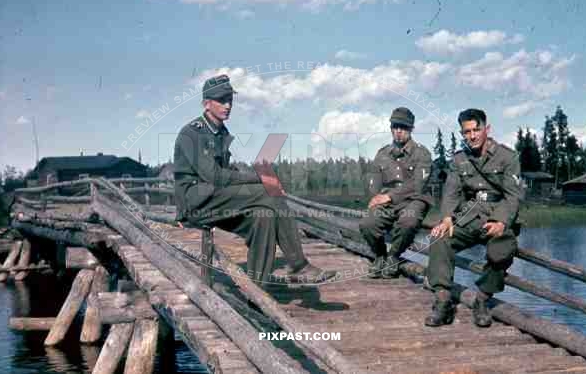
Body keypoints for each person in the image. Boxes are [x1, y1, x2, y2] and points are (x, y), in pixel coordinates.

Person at [174, 74, 337, 285]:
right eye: (221, 100)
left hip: (213, 199)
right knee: (267, 192)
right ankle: (299, 265)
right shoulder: (192, 133)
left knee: (265, 216)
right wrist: (260, 179)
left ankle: (257, 291)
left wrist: (260, 178)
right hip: (195, 203)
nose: (228, 105)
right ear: (206, 104)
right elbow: (213, 176)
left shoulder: (220, 132)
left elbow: (226, 171)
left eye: (230, 100)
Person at [426, 108, 522, 327]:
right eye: (466, 132)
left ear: (486, 129)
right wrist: (447, 218)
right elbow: (451, 191)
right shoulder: (459, 159)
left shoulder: (507, 157)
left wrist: (501, 221)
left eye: (476, 130)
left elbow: (513, 195)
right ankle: (443, 302)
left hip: (498, 215)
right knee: (440, 239)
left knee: (501, 251)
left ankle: (482, 300)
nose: (472, 136)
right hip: (469, 216)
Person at [359, 107, 433, 278]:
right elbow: (374, 181)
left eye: (404, 127)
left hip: (414, 199)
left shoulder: (422, 153)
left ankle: (393, 257)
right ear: (391, 128)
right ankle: (380, 256)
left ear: (411, 129)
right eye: (395, 127)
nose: (399, 131)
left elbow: (417, 184)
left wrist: (388, 196)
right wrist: (374, 198)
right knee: (368, 223)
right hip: (388, 203)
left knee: (408, 220)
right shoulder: (383, 154)